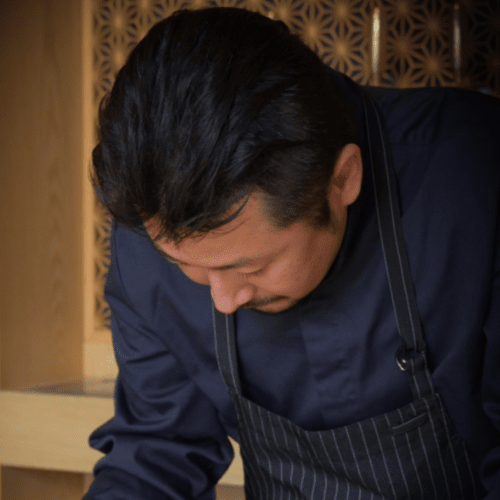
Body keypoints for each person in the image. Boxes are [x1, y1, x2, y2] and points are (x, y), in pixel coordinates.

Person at [83, 7, 500, 499]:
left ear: (342, 180)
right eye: (185, 267)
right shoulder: (148, 228)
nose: (223, 299)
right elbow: (155, 455)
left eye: (249, 267)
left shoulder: (477, 172)